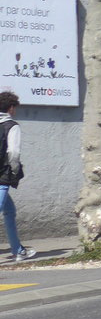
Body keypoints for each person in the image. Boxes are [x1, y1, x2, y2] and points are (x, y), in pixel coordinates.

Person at [0, 91, 35, 262]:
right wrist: (14, 171)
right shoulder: (11, 126)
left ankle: (18, 250)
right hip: (2, 176)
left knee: (9, 211)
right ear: (11, 108)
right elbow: (13, 152)